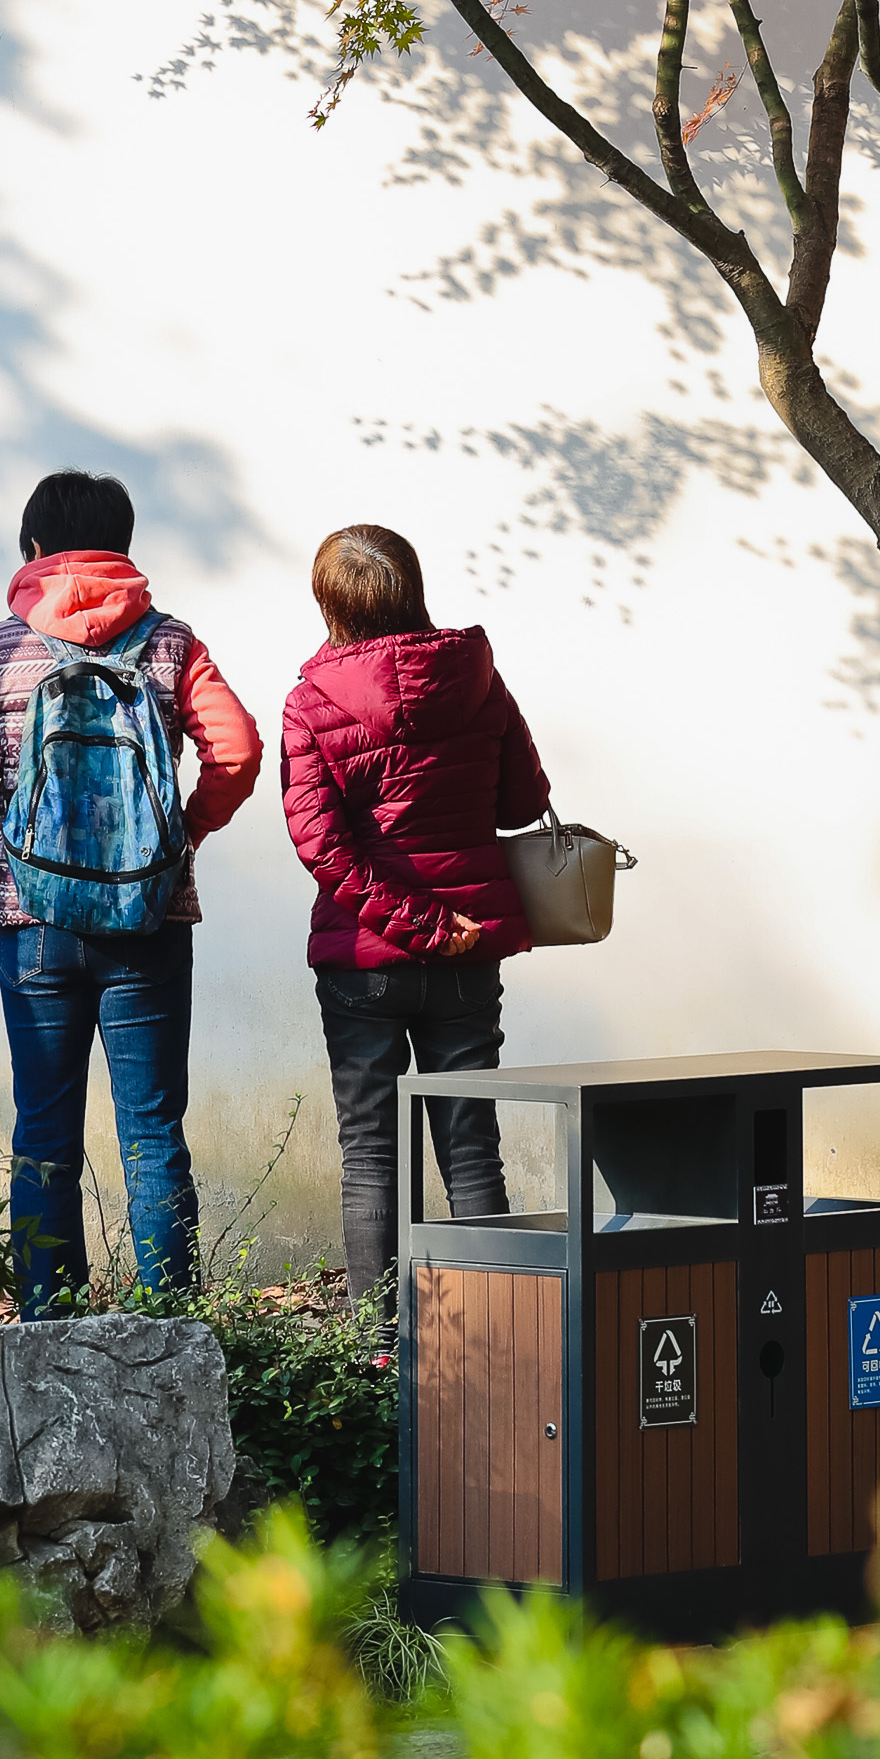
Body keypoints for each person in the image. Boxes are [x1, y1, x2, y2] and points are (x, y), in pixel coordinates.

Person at [0, 469, 263, 1314]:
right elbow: (239, 750)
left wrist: (11, 847)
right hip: (148, 916)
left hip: (32, 919)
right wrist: (183, 831)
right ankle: (170, 1326)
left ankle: (51, 1323)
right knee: (153, 1135)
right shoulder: (171, 642)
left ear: (33, 550)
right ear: (122, 547)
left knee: (44, 1133)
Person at [280, 520, 550, 1310]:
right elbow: (525, 803)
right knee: (472, 1151)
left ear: (331, 605)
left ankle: (377, 1355)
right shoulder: (478, 678)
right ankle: (504, 1344)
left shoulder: (311, 703)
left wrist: (409, 924)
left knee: (370, 1155)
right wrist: (440, 927)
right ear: (414, 587)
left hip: (363, 959)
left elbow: (321, 846)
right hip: (466, 949)